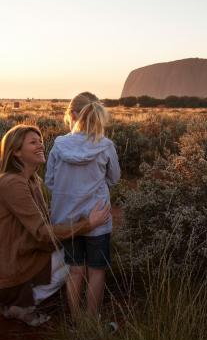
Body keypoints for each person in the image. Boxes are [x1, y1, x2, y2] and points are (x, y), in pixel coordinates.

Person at [0, 124, 110, 326]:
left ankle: (21, 301)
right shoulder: (12, 183)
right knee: (73, 258)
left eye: (40, 141)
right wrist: (88, 223)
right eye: (33, 142)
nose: (40, 145)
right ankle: (22, 303)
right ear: (16, 152)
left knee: (73, 248)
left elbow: (44, 220)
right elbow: (43, 232)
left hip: (25, 254)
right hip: (12, 265)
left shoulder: (31, 180)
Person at [45, 92, 121, 320]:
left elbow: (50, 181)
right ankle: (91, 321)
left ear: (74, 114)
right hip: (98, 218)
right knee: (96, 271)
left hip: (68, 220)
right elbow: (114, 178)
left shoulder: (58, 145)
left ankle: (76, 320)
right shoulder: (105, 145)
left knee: (75, 270)